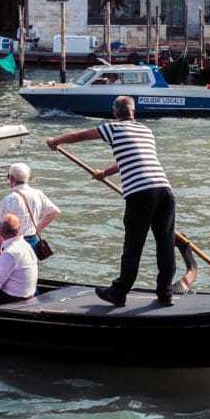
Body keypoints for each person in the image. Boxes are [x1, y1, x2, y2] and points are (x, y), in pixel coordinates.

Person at [47, 95, 175, 307]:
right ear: (134, 112)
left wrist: (55, 141)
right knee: (165, 244)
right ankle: (165, 293)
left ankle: (119, 292)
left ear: (115, 114)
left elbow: (81, 135)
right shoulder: (146, 131)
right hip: (164, 190)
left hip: (140, 192)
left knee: (133, 244)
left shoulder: (113, 128)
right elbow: (131, 158)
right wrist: (104, 173)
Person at [0, 163, 59, 256]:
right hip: (33, 241)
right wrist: (37, 229)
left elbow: (1, 226)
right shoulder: (38, 194)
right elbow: (54, 212)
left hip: (15, 243)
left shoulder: (9, 199)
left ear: (12, 179)